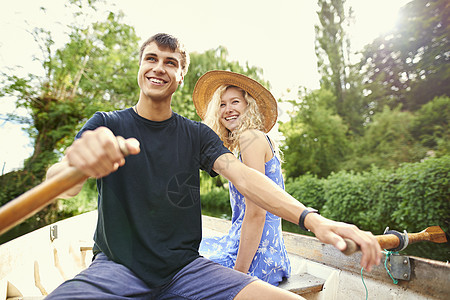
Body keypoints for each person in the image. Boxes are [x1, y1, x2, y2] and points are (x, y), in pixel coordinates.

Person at [45, 33, 381, 300]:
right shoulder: (106, 124)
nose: (159, 68)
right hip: (118, 268)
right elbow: (63, 181)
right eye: (151, 59)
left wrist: (312, 219)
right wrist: (77, 165)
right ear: (140, 67)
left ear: (180, 76)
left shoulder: (196, 135)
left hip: (185, 269)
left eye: (170, 62)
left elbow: (245, 178)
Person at [194, 71, 290, 286]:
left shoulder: (250, 139)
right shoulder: (249, 142)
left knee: (179, 264)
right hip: (267, 253)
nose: (228, 109)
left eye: (235, 102)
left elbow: (257, 213)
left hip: (256, 260)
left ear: (249, 106)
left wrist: (239, 277)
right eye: (222, 104)